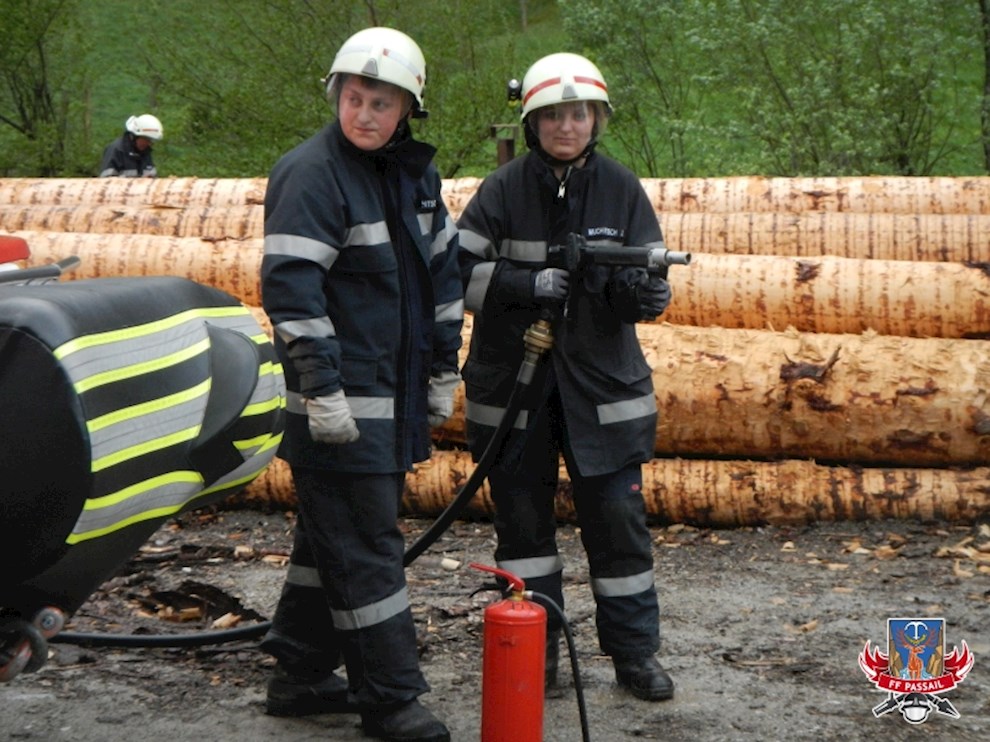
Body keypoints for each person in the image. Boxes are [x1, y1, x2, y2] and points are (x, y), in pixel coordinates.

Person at [258, 27, 462, 742]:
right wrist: (321, 389)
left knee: (333, 539)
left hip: (393, 397)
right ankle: (390, 698)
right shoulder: (311, 173)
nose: (364, 114)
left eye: (381, 103)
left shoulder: (413, 176)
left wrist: (444, 365)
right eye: (354, 98)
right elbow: (292, 290)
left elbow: (443, 277)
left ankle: (301, 672)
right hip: (338, 402)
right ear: (336, 95)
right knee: (368, 543)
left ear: (407, 110)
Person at [456, 52, 675, 702]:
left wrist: (645, 294)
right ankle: (535, 653)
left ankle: (634, 655)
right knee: (523, 533)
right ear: (533, 122)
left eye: (578, 115)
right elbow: (453, 276)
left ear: (596, 120)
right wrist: (524, 285)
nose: (566, 127)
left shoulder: (620, 188)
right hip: (515, 392)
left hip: (601, 398)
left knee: (618, 528)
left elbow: (641, 273)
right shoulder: (502, 191)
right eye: (553, 115)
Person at [98, 114, 163, 177]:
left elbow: (152, 178)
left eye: (151, 140)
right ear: (135, 136)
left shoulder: (145, 153)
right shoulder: (116, 150)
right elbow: (106, 181)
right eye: (146, 139)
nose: (149, 143)